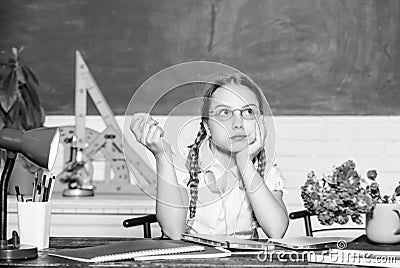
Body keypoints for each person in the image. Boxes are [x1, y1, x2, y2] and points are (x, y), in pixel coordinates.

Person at [130, 73, 289, 240]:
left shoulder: (265, 167)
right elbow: (173, 232)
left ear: (260, 122)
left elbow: (276, 230)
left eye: (248, 111)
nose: (238, 123)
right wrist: (162, 155)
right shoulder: (185, 163)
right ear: (207, 126)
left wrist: (245, 162)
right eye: (224, 112)